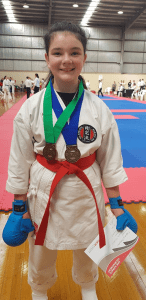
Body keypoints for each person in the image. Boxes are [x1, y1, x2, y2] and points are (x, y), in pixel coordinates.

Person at [3, 21, 137, 300]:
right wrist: (18, 208)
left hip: (86, 188)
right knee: (40, 248)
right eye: (58, 53)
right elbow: (19, 160)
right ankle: (39, 291)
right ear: (47, 58)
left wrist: (117, 206)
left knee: (90, 243)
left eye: (75, 52)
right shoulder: (30, 107)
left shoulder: (99, 108)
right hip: (44, 189)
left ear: (85, 58)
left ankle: (88, 288)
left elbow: (111, 160)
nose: (66, 60)